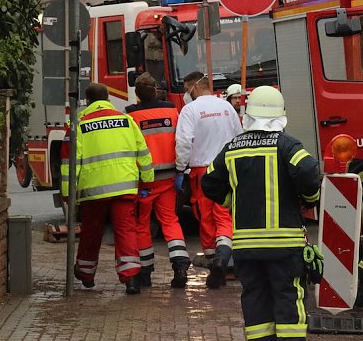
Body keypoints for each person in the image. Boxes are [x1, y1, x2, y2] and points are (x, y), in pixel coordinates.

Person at [201, 86, 322, 341]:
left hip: (245, 244)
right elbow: (307, 171)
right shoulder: (287, 145)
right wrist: (309, 199)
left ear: (248, 115)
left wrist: (232, 199)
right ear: (280, 114)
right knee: (288, 296)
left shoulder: (232, 148)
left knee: (254, 296)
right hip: (284, 242)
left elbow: (208, 182)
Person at [61, 82, 154, 295]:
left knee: (91, 233)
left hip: (93, 192)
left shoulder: (78, 125)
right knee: (126, 231)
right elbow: (144, 153)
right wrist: (147, 182)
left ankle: (85, 274)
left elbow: (69, 165)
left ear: (88, 101)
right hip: (125, 187)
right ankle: (131, 279)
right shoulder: (126, 120)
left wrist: (68, 193)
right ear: (108, 98)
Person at [175, 71, 243, 288]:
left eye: (186, 89)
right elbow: (238, 137)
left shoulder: (190, 110)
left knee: (205, 215)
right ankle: (223, 258)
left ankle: (215, 259)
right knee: (224, 213)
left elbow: (184, 142)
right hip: (227, 166)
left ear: (194, 87)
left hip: (202, 171)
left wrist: (179, 168)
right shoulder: (226, 108)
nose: (186, 94)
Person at [126, 73, 192, 289]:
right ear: (156, 90)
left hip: (144, 181)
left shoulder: (131, 116)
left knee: (142, 224)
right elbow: (182, 140)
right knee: (170, 220)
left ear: (137, 94)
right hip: (169, 178)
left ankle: (145, 272)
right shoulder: (172, 111)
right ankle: (180, 265)